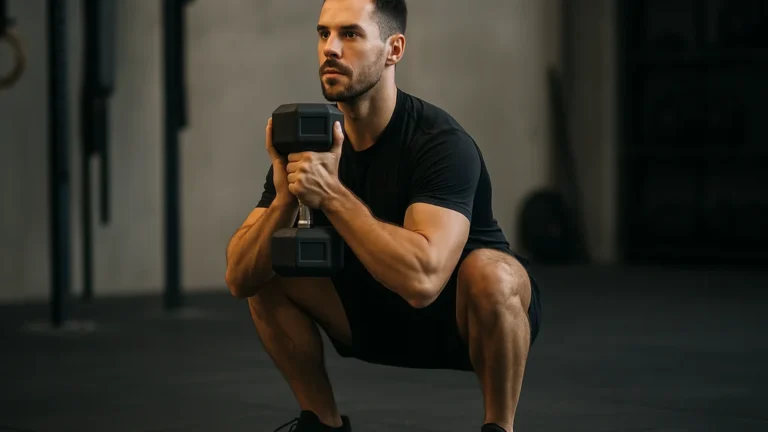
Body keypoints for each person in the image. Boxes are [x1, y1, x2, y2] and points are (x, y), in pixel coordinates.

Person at [224, 0, 542, 430]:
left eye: (350, 34)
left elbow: (422, 282)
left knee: (495, 273)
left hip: (460, 325)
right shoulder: (312, 143)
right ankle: (322, 423)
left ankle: (499, 428)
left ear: (393, 49)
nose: (330, 49)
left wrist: (333, 196)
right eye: (323, 34)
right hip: (369, 318)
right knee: (266, 260)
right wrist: (283, 199)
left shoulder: (439, 143)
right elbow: (239, 279)